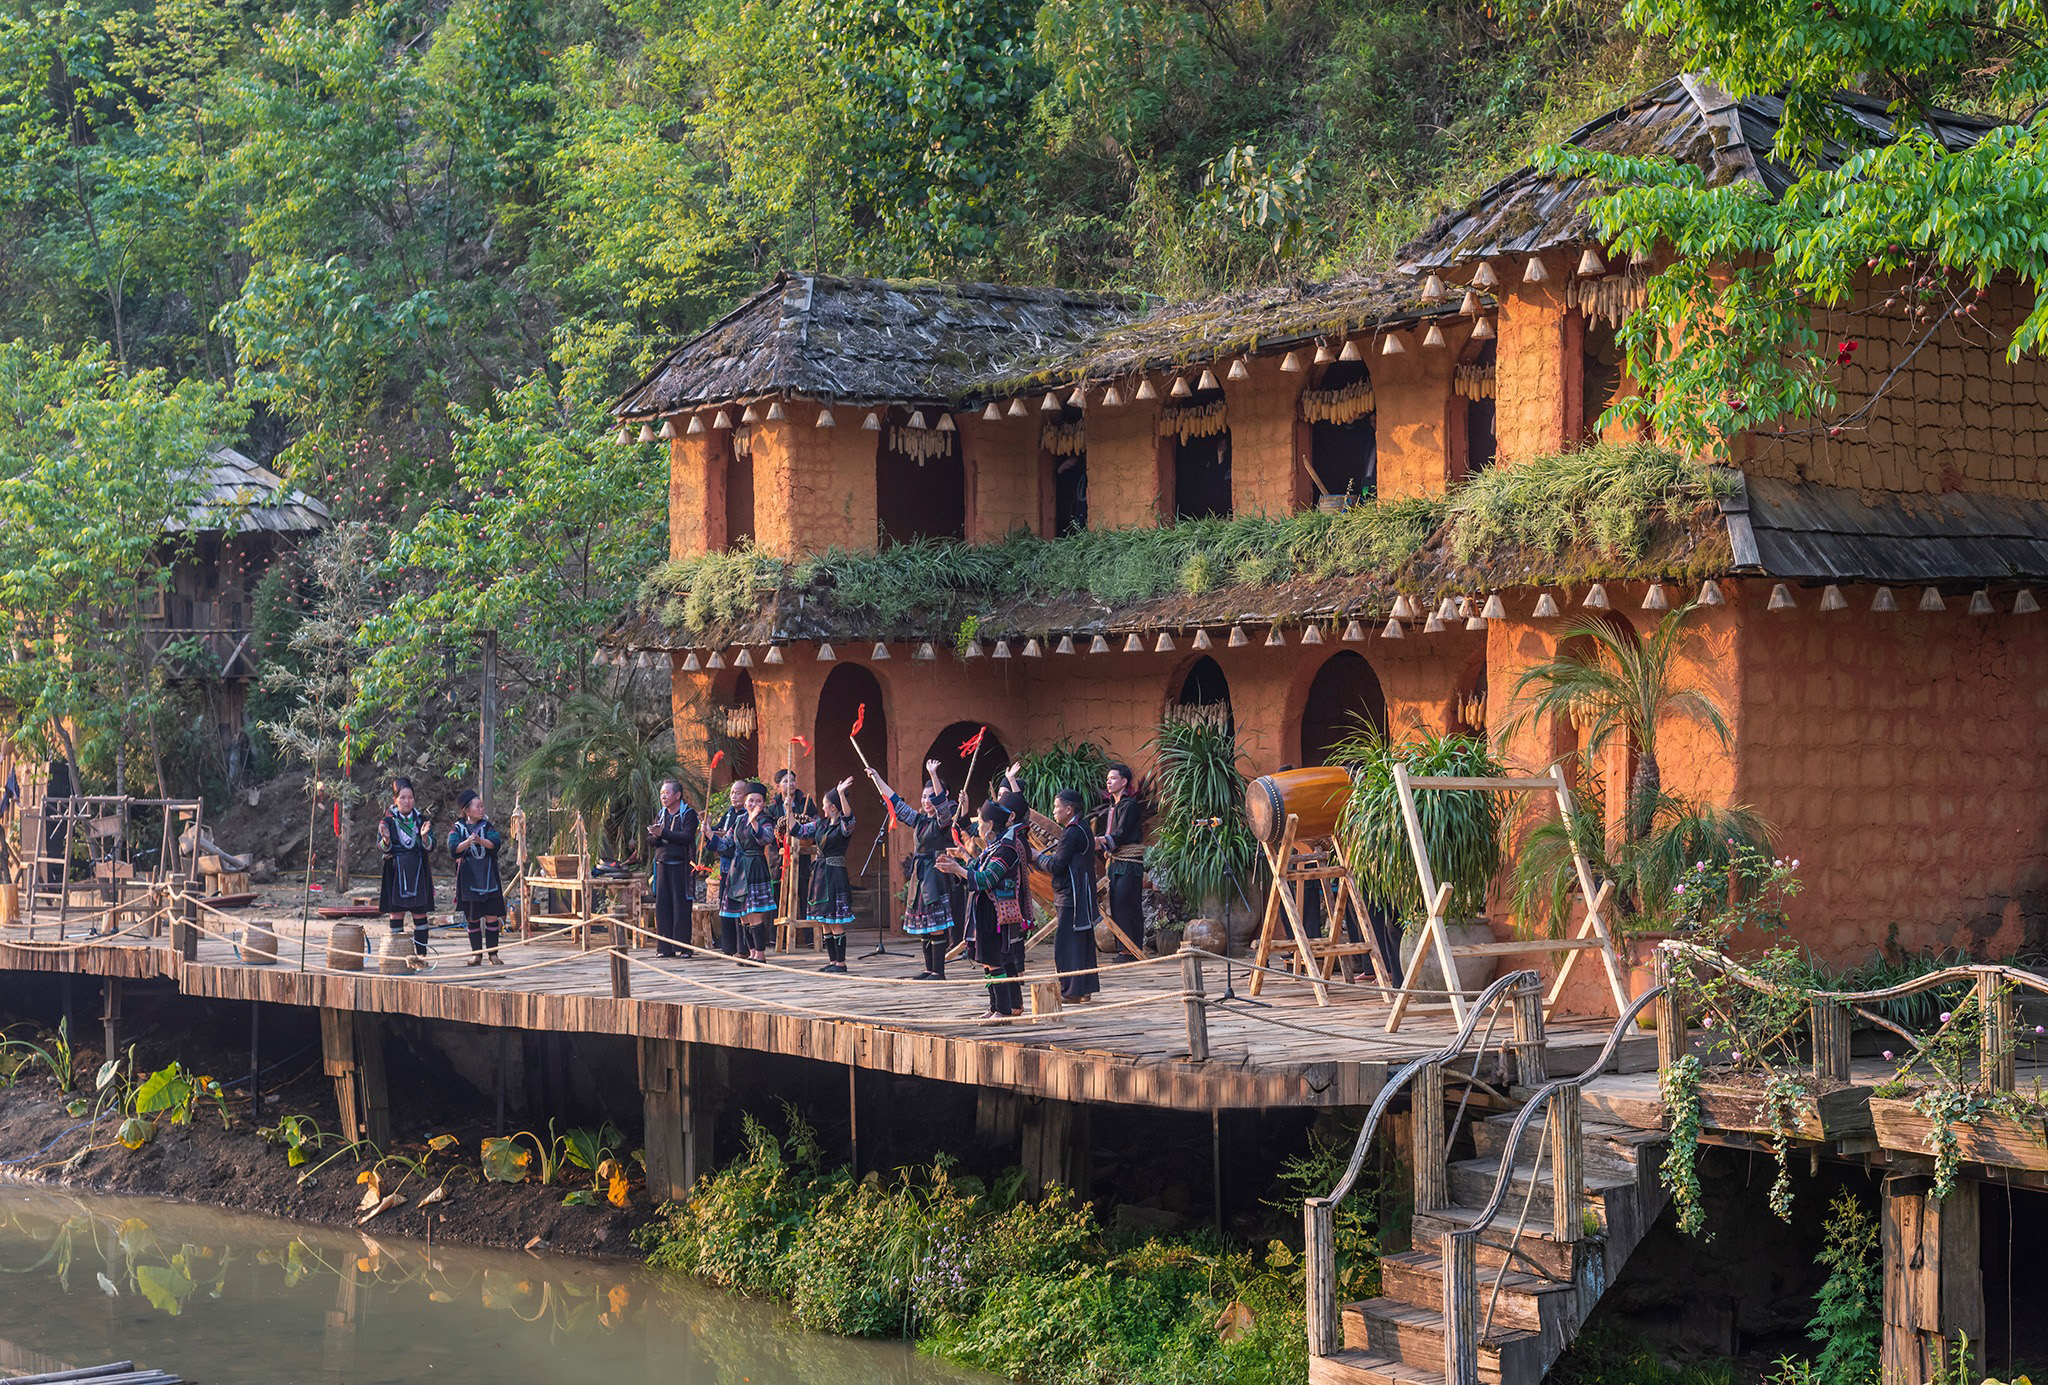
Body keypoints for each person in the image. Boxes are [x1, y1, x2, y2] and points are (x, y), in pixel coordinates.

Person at [867, 760, 955, 979]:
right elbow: (896, 802)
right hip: (920, 874)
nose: (926, 801)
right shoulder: (919, 820)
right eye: (924, 797)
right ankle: (928, 969)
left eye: (930, 797)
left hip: (935, 873)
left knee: (935, 924)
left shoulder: (943, 821)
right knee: (924, 923)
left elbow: (942, 806)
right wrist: (877, 779)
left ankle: (938, 971)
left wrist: (933, 774)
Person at [939, 801, 1026, 1020]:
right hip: (987, 909)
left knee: (995, 960)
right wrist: (960, 861)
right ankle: (1000, 1006)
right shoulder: (995, 847)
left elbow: (987, 879)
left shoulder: (1007, 850)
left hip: (997, 912)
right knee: (991, 960)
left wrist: (957, 868)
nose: (977, 828)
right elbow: (977, 867)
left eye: (980, 823)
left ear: (990, 825)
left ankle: (1003, 1009)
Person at [1036, 787, 1101, 1002]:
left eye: (1057, 807)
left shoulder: (1072, 832)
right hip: (1081, 893)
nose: (1054, 811)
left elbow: (1057, 865)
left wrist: (1037, 857)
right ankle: (1084, 989)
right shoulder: (1083, 827)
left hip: (1071, 894)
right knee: (1082, 943)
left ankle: (1072, 991)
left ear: (1069, 810)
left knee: (1067, 944)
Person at [791, 777, 857, 972]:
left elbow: (849, 818)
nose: (822, 808)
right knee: (824, 921)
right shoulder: (821, 824)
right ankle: (832, 961)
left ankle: (841, 963)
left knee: (835, 921)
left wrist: (841, 794)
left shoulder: (843, 827)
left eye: (825, 804)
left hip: (834, 875)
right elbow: (798, 831)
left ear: (833, 807)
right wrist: (788, 810)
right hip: (820, 875)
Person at [707, 780, 778, 962]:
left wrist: (754, 823)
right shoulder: (739, 820)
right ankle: (751, 952)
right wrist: (709, 834)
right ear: (745, 802)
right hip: (738, 869)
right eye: (751, 801)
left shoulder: (765, 820)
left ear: (763, 803)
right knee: (743, 915)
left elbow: (767, 839)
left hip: (755, 867)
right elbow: (725, 844)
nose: (754, 804)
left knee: (754, 913)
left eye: (758, 801)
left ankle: (760, 954)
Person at [377, 777, 435, 972]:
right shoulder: (387, 822)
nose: (407, 801)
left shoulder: (422, 820)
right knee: (397, 912)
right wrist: (386, 840)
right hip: (396, 870)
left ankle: (422, 957)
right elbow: (381, 847)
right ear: (395, 800)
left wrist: (425, 837)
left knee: (420, 913)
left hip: (418, 869)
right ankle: (398, 957)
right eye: (402, 797)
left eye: (410, 797)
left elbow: (431, 845)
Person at [446, 790, 507, 967]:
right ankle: (476, 955)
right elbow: (453, 848)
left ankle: (493, 954)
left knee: (491, 917)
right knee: (472, 918)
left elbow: (495, 844)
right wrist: (467, 842)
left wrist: (480, 840)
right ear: (467, 810)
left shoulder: (487, 827)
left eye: (482, 806)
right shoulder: (457, 829)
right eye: (477, 806)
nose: (481, 809)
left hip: (488, 876)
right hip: (469, 877)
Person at [1096, 762, 1147, 960]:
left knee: (1126, 902)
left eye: (1113, 778)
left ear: (1124, 782)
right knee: (1117, 905)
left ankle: (1131, 949)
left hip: (1129, 862)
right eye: (1108, 779)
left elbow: (1122, 833)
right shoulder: (1114, 806)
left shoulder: (1129, 805)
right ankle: (1124, 948)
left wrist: (1101, 840)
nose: (1109, 782)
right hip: (1116, 861)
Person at [646, 777, 699, 959]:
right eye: (661, 793)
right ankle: (664, 947)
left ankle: (683, 947)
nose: (663, 796)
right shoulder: (661, 814)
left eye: (666, 793)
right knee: (663, 907)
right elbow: (651, 841)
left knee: (681, 906)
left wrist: (664, 833)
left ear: (677, 795)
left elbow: (686, 837)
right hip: (662, 865)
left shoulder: (688, 814)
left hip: (681, 866)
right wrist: (655, 835)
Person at [767, 768, 814, 945]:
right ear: (778, 785)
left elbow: (815, 823)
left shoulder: (806, 802)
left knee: (804, 894)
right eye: (786, 781)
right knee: (778, 896)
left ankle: (810, 938)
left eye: (792, 780)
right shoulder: (772, 807)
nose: (790, 784)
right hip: (779, 858)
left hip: (802, 857)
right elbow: (769, 833)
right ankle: (776, 938)